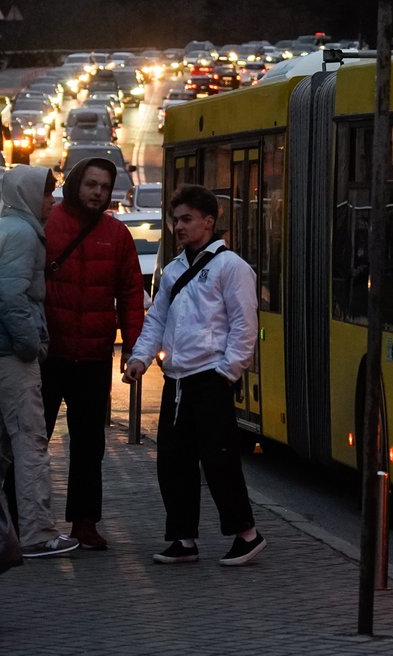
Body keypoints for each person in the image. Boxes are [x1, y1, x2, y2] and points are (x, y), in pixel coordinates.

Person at [122, 184, 264, 566]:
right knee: (173, 461)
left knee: (219, 460)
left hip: (210, 377)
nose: (179, 227)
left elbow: (244, 325)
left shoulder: (231, 267)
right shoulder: (173, 269)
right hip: (178, 379)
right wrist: (140, 358)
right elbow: (157, 319)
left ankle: (247, 534)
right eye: (176, 220)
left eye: (187, 219)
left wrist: (227, 373)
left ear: (208, 221)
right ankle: (183, 538)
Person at [0, 164, 80, 559]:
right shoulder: (24, 234)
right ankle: (37, 532)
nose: (51, 201)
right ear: (29, 195)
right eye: (46, 194)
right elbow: (12, 295)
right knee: (30, 440)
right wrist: (30, 344)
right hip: (10, 353)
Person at [42, 157, 145, 550]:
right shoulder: (47, 224)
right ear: (75, 184)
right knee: (33, 442)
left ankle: (84, 523)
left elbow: (131, 293)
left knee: (89, 447)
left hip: (94, 357)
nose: (98, 192)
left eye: (104, 186)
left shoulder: (116, 234)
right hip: (48, 354)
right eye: (91, 184)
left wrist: (133, 346)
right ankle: (20, 519)